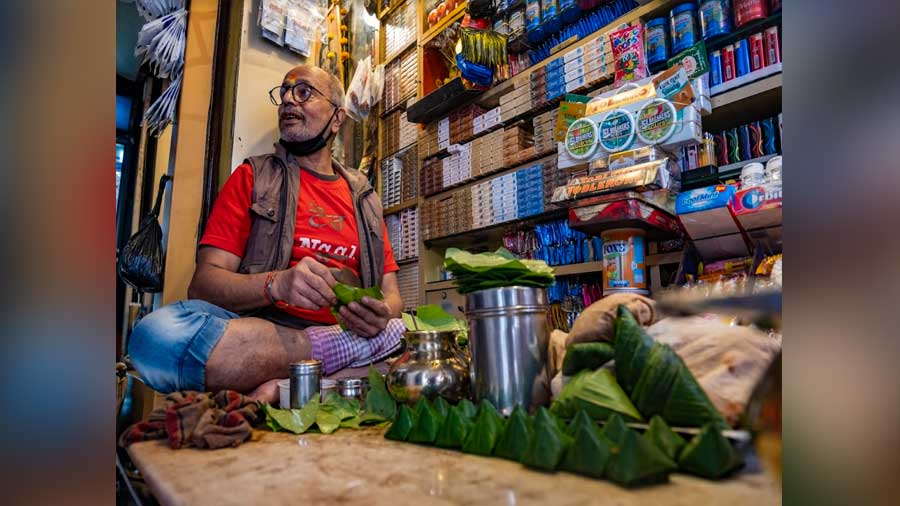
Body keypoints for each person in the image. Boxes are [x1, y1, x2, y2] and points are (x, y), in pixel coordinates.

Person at [129, 65, 404, 403]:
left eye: (304, 92)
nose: (288, 99)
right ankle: (331, 359)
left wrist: (381, 314)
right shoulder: (252, 177)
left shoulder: (366, 198)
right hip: (264, 333)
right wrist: (277, 284)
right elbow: (203, 286)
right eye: (284, 92)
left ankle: (292, 382)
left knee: (420, 334)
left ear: (337, 118)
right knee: (154, 339)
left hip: (340, 336)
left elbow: (393, 297)